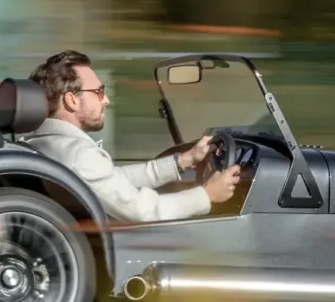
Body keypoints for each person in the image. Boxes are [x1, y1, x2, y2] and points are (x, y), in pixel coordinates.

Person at [24, 50, 241, 224]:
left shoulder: (41, 144)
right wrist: (207, 195)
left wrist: (183, 161)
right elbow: (143, 211)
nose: (106, 100)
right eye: (98, 92)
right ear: (72, 100)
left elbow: (111, 180)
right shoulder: (78, 155)